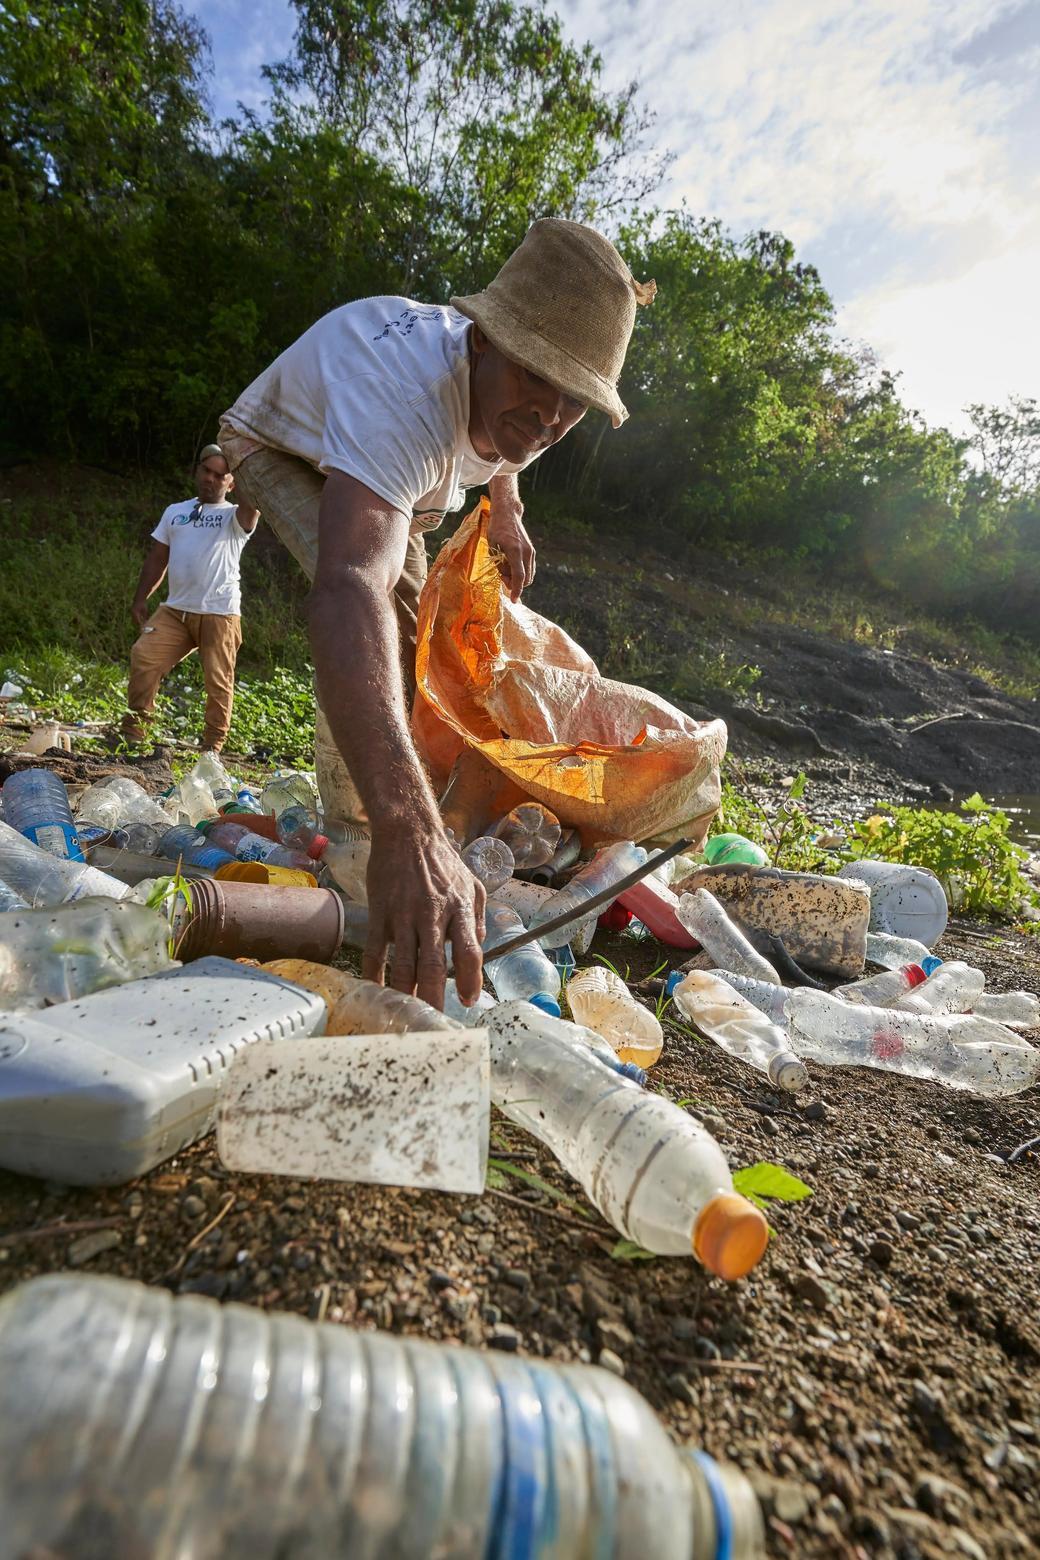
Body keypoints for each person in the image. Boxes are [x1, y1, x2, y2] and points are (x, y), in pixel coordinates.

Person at [219, 219, 654, 1007]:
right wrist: (406, 830)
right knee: (380, 615)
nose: (550, 415)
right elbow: (349, 588)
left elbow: (508, 443)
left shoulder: (522, 404)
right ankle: (365, 852)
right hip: (282, 445)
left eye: (576, 400)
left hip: (402, 488)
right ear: (482, 340)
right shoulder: (407, 396)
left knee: (431, 645)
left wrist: (507, 507)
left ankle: (422, 830)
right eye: (536, 376)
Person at [123, 444, 260, 753]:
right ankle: (134, 735)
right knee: (144, 656)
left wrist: (240, 462)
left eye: (220, 475)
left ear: (231, 483)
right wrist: (141, 598)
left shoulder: (235, 516)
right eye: (206, 471)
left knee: (218, 681)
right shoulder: (175, 512)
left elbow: (252, 505)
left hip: (219, 613)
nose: (210, 479)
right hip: (175, 611)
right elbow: (158, 558)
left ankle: (212, 748)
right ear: (197, 471)